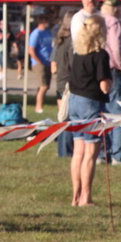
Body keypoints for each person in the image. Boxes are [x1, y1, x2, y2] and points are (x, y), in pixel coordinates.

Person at [68, 14, 111, 207]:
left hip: (75, 101)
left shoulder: (78, 53)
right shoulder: (100, 55)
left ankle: (75, 197)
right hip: (91, 103)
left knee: (78, 152)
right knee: (90, 153)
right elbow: (104, 87)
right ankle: (86, 196)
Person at [101, 0, 121, 165]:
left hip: (99, 70)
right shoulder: (114, 22)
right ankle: (118, 155)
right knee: (120, 113)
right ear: (118, 8)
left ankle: (101, 153)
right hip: (113, 70)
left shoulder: (96, 20)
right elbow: (116, 47)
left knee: (102, 113)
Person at [51, 12, 74, 157]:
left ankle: (62, 151)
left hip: (60, 82)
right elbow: (74, 64)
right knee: (68, 118)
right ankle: (66, 151)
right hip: (69, 83)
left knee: (62, 117)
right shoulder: (72, 42)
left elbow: (53, 66)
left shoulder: (59, 41)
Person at [28, 14, 53, 114]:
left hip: (48, 61)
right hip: (39, 62)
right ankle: (38, 107)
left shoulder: (47, 32)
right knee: (44, 86)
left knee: (45, 85)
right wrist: (38, 61)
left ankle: (40, 104)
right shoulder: (36, 33)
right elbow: (31, 50)